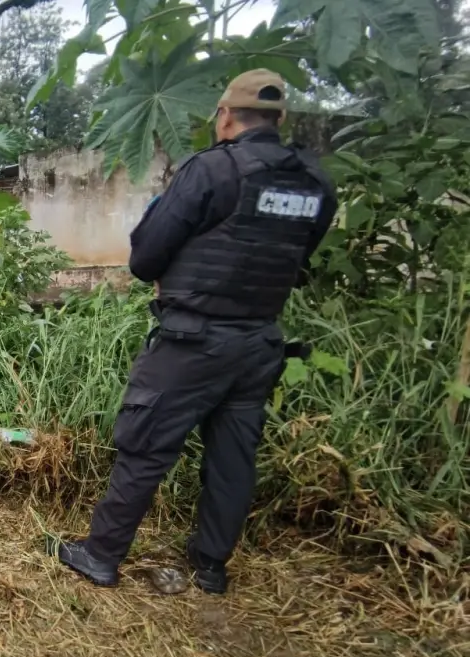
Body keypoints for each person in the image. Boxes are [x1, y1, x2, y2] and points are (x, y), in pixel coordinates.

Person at [58, 69, 339, 595]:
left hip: (194, 340)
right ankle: (210, 567)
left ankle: (100, 555)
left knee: (145, 446)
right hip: (259, 343)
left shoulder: (213, 170)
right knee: (233, 460)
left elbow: (145, 259)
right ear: (280, 120)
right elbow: (299, 253)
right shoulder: (315, 182)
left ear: (225, 116)